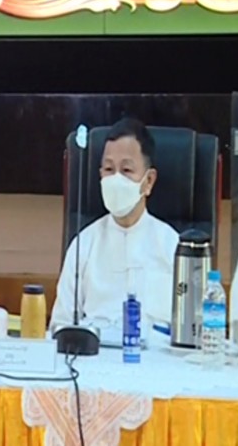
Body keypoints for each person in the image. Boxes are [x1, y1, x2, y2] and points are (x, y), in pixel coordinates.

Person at [51, 117, 180, 330]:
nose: (116, 179)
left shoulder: (173, 246)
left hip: (156, 351)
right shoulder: (84, 245)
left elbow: (196, 329)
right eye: (109, 169)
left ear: (148, 181)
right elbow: (61, 326)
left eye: (127, 170)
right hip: (95, 351)